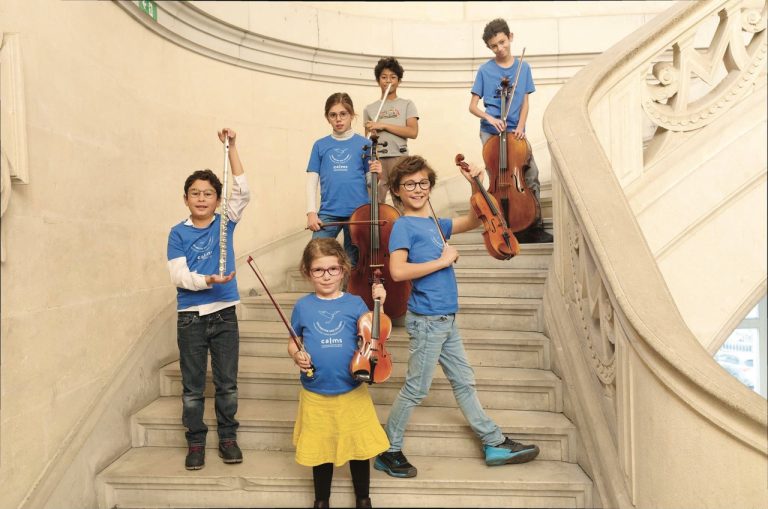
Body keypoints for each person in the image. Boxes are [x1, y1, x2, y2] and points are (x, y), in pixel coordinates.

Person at [374, 155, 540, 478]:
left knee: (464, 381)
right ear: (397, 189)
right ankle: (388, 450)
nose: (418, 189)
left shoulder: (436, 223)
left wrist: (477, 182)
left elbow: (477, 219)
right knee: (416, 389)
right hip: (427, 321)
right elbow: (397, 271)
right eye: (409, 184)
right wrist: (443, 260)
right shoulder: (403, 226)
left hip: (446, 319)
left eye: (423, 183)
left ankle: (493, 443)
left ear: (431, 186)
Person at [166, 128, 249, 470]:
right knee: (192, 387)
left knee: (227, 384)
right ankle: (196, 441)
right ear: (186, 198)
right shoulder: (178, 232)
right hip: (191, 318)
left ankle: (228, 437)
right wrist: (207, 280)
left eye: (209, 193)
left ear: (217, 199)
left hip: (224, 314)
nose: (202, 199)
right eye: (195, 193)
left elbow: (242, 189)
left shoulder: (225, 223)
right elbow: (179, 276)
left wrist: (232, 147)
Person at [290, 238, 390, 509]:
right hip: (315, 391)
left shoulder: (355, 304)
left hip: (351, 389)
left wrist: (379, 304)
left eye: (333, 269)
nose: (326, 276)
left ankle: (363, 498)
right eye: (319, 270)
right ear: (307, 272)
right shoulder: (302, 306)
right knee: (321, 451)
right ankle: (321, 500)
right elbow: (294, 340)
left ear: (344, 269)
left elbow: (374, 334)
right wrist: (296, 354)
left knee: (359, 450)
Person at [469, 18, 553, 244]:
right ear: (489, 47)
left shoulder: (523, 68)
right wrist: (490, 117)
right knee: (498, 178)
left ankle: (534, 226)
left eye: (502, 42)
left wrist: (521, 127)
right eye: (494, 45)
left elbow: (525, 102)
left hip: (515, 131)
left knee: (531, 174)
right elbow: (473, 106)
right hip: (491, 131)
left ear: (510, 37)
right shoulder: (485, 71)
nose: (500, 48)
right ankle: (502, 227)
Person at [306, 93, 382, 268]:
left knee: (353, 261)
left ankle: (349, 294)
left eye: (343, 114)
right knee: (317, 253)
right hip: (328, 211)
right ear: (327, 118)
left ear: (351, 115)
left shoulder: (365, 144)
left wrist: (378, 173)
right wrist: (311, 212)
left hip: (358, 213)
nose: (338, 119)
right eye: (333, 115)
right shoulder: (320, 145)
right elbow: (311, 180)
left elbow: (371, 182)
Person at [363, 57, 419, 205]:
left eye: (393, 77)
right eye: (384, 77)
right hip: (378, 160)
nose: (388, 81)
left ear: (399, 81)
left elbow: (413, 132)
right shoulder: (370, 109)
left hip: (400, 158)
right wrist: (373, 133)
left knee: (403, 203)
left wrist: (384, 125)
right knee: (375, 203)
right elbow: (367, 141)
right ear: (378, 80)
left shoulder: (407, 104)